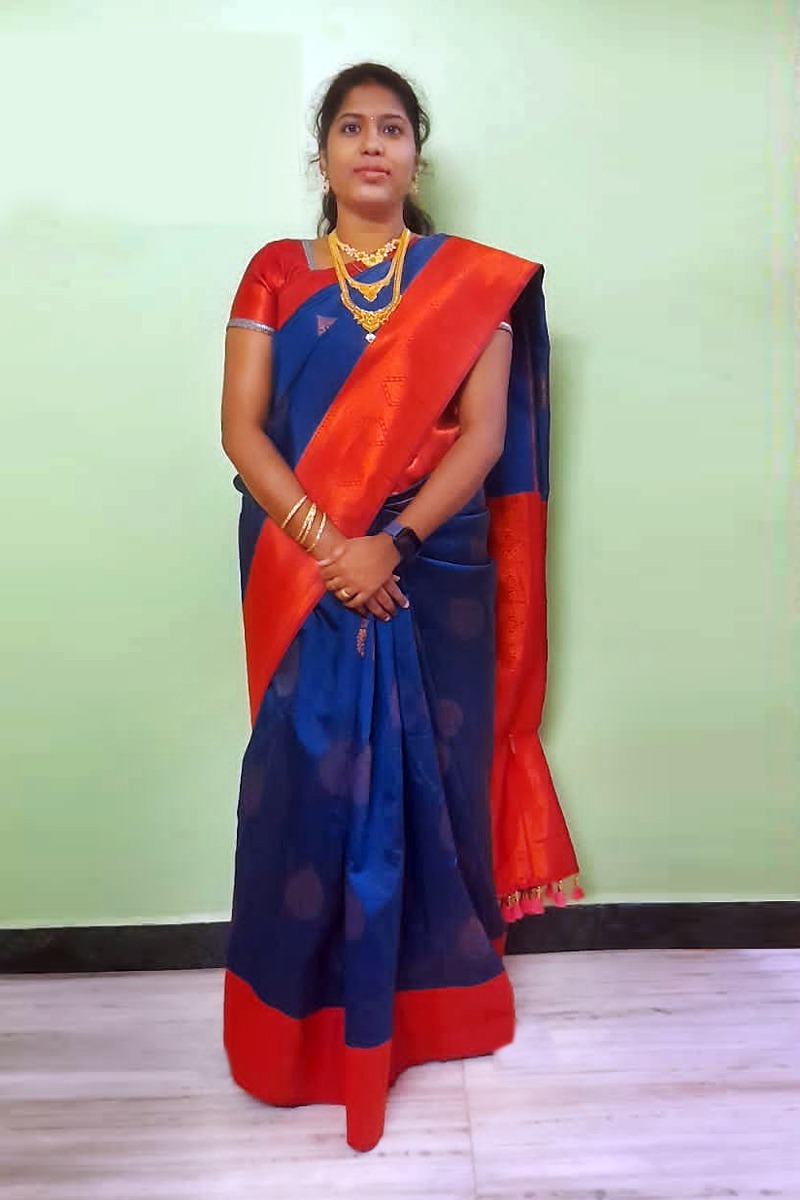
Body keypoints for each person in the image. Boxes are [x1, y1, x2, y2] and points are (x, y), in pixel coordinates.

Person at [219, 61, 583, 1153]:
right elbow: (241, 431)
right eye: (351, 127)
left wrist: (394, 543)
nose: (372, 144)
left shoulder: (467, 282)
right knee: (305, 784)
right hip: (303, 566)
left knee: (433, 779)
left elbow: (483, 436)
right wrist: (332, 547)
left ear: (415, 154)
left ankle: (432, 1010)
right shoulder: (276, 274)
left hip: (429, 569)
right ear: (323, 154)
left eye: (391, 128)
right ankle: (294, 1033)